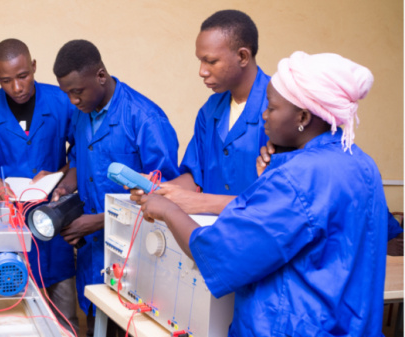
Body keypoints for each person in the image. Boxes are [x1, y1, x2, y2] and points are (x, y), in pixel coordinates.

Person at [138, 51, 387, 336]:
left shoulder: (297, 177)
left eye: (271, 108)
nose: (264, 116)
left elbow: (221, 252)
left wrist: (168, 210)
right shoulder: (361, 163)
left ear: (303, 116)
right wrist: (280, 165)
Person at [52, 39, 180, 334]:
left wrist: (97, 223)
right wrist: (63, 187)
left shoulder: (145, 118)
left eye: (77, 91)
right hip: (92, 259)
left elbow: (167, 196)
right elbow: (79, 161)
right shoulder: (82, 113)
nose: (72, 100)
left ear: (100, 75)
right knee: (97, 323)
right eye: (67, 93)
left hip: (137, 262)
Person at [0, 38, 78, 333]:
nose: (16, 87)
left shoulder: (61, 102)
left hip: (54, 226)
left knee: (64, 318)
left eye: (23, 76)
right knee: (14, 320)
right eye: (6, 80)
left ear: (34, 67)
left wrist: (60, 172)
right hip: (8, 229)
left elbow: (82, 151)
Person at [132, 10, 270, 215]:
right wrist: (159, 191)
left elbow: (281, 199)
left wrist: (201, 203)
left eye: (211, 61)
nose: (202, 71)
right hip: (213, 236)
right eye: (200, 61)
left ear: (242, 56)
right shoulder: (210, 110)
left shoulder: (278, 110)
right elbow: (194, 174)